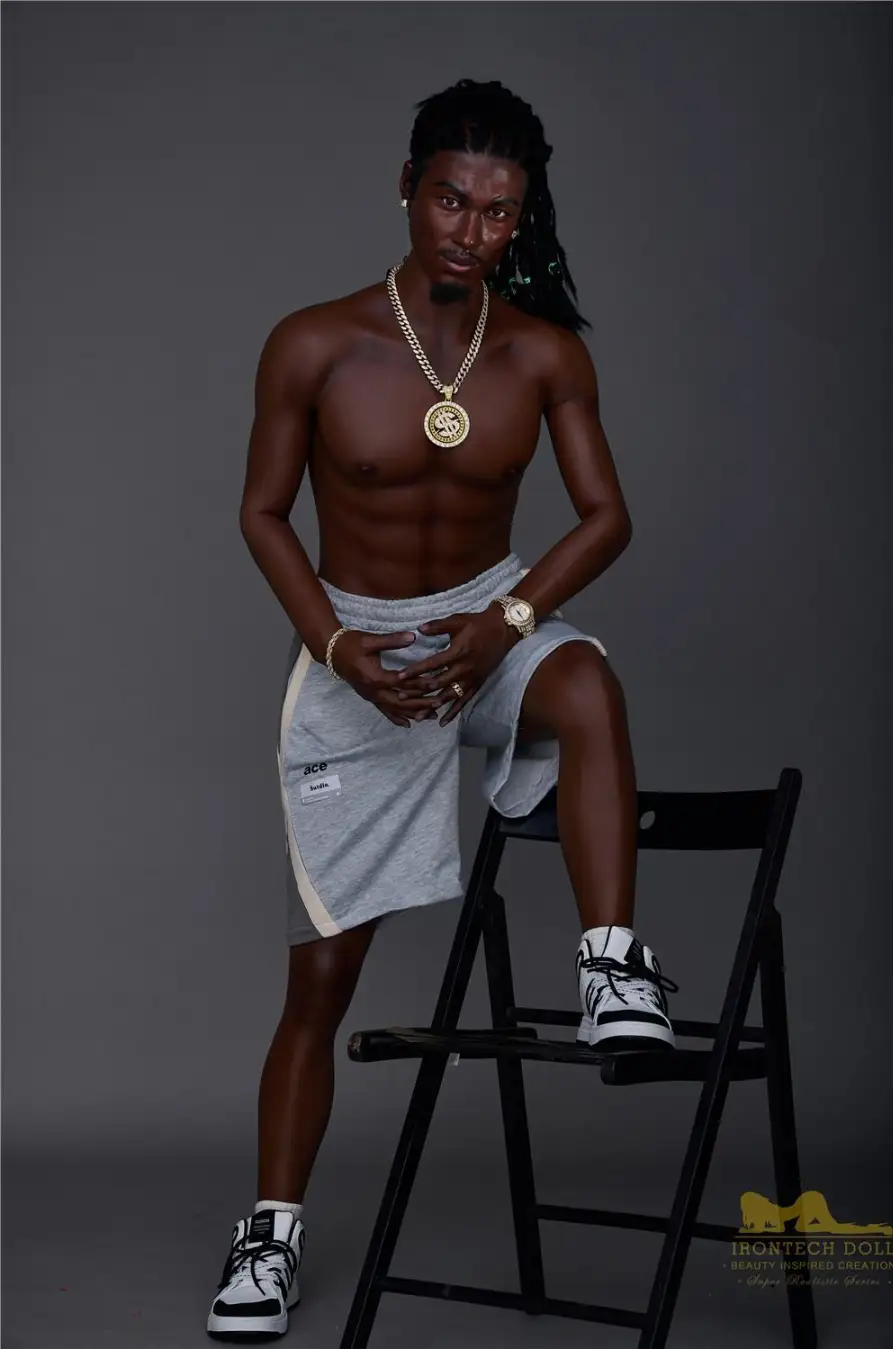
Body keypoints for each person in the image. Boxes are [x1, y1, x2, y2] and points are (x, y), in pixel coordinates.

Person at [206, 77, 678, 1340]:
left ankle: (611, 962)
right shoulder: (315, 342)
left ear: (523, 216)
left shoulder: (541, 352)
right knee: (321, 980)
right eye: (452, 201)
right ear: (408, 191)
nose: (473, 231)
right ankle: (270, 1235)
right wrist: (335, 645)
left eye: (499, 211)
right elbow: (261, 511)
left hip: (490, 618)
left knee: (587, 681)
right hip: (357, 642)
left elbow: (607, 517)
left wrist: (507, 621)